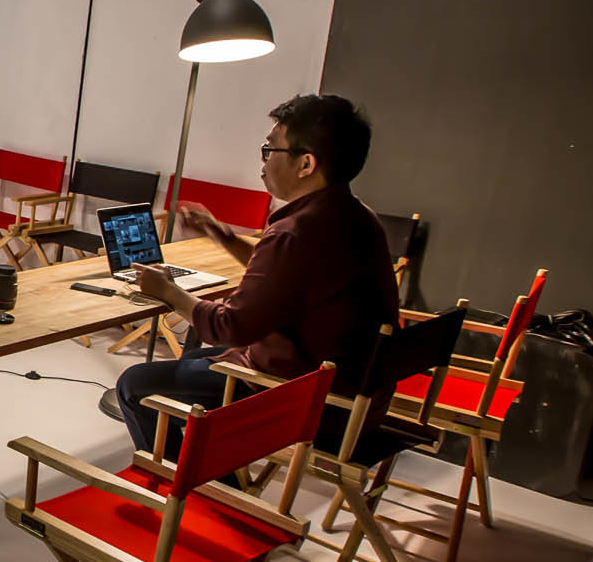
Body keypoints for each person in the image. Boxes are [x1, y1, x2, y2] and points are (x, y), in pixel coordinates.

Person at [116, 93, 400, 457]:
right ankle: (215, 469)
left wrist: (168, 291)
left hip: (307, 402)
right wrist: (223, 236)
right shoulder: (355, 216)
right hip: (355, 395)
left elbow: (232, 326)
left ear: (306, 164)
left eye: (270, 151)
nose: (263, 163)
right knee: (191, 361)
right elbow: (289, 278)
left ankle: (186, 489)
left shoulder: (295, 231)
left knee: (135, 384)